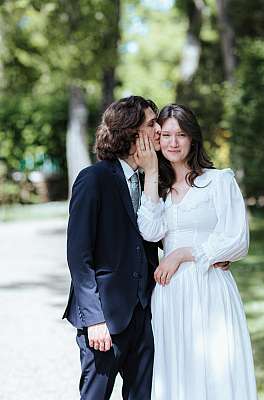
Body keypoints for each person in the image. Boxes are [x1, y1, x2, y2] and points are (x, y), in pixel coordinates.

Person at [135, 104, 258, 400]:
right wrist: (151, 172)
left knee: (216, 365)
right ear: (157, 140)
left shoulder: (218, 181)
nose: (173, 143)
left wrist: (183, 253)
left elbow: (237, 239)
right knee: (178, 369)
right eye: (165, 135)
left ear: (193, 139)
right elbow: (150, 232)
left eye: (181, 135)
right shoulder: (156, 188)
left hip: (210, 288)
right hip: (171, 293)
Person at [62, 95, 163, 400]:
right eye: (152, 124)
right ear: (132, 132)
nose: (159, 130)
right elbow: (79, 257)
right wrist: (94, 320)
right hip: (104, 320)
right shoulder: (94, 179)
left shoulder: (150, 179)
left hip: (141, 316)